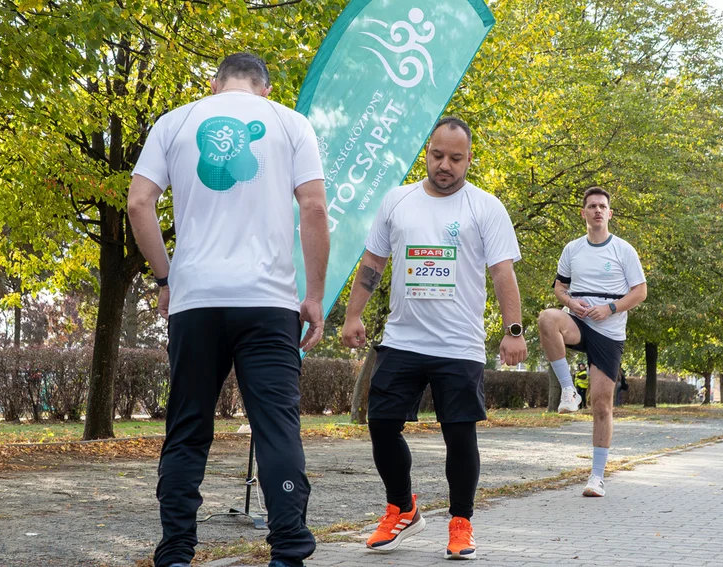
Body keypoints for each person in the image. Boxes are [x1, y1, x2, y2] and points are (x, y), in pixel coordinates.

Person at [127, 53, 330, 567]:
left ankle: (175, 552)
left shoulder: (174, 122)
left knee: (188, 425)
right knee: (276, 427)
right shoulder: (290, 123)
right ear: (265, 89)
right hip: (267, 302)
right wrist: (314, 295)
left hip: (196, 301)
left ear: (214, 85)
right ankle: (287, 549)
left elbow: (138, 203)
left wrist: (166, 277)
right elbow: (314, 208)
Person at [341, 117, 527, 560]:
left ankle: (461, 523)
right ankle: (402, 508)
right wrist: (352, 315)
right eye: (437, 155)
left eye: (456, 159)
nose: (445, 165)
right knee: (381, 425)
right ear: (427, 152)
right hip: (403, 339)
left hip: (458, 344)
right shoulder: (397, 200)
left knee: (459, 436)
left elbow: (503, 273)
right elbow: (373, 262)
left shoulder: (485, 207)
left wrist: (513, 330)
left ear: (468, 160)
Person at [538, 187, 647, 497]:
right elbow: (560, 288)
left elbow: (640, 292)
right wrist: (571, 304)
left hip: (609, 331)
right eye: (592, 206)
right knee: (547, 318)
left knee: (601, 405)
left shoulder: (624, 250)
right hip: (578, 321)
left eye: (603, 206)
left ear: (610, 213)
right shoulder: (572, 249)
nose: (598, 210)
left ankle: (596, 477)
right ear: (583, 213)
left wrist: (610, 308)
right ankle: (569, 390)